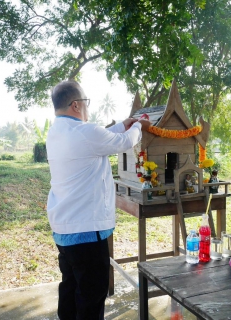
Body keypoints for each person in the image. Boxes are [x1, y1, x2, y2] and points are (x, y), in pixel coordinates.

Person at [46, 80, 151, 320]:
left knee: (71, 288)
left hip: (64, 229)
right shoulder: (85, 132)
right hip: (86, 231)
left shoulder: (56, 132)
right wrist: (139, 126)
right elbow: (123, 142)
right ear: (76, 105)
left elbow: (100, 139)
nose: (87, 108)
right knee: (92, 296)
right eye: (86, 103)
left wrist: (124, 124)